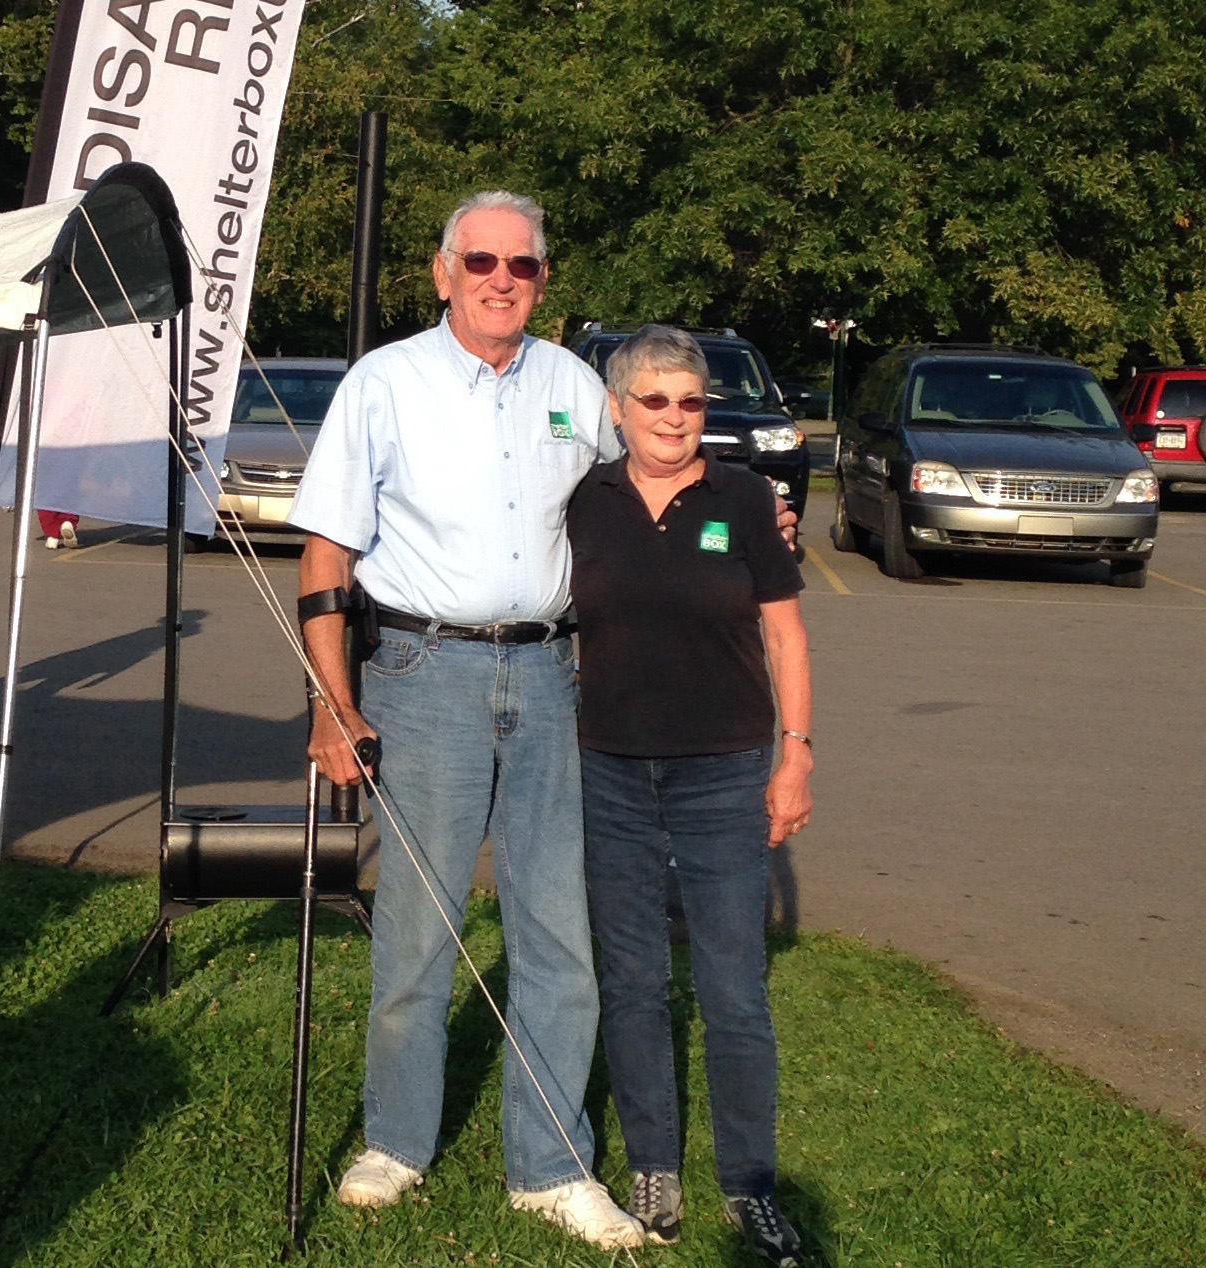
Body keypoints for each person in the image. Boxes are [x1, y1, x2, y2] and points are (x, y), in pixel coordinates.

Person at [289, 191, 649, 1251]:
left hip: (548, 677)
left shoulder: (575, 386)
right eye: (480, 260)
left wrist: (740, 511)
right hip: (420, 666)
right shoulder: (384, 382)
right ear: (442, 272)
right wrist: (331, 700)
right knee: (418, 927)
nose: (502, 278)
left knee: (554, 932)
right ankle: (395, 1139)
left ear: (544, 277)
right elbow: (324, 556)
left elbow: (645, 497)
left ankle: (551, 1163)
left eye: (522, 264)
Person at [567, 324, 813, 1266]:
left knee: (733, 987)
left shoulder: (744, 498)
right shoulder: (581, 500)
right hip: (611, 771)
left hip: (726, 768)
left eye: (691, 402)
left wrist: (795, 756)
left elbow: (787, 636)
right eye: (655, 401)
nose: (675, 418)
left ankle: (750, 1184)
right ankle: (652, 1166)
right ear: (620, 409)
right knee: (632, 980)